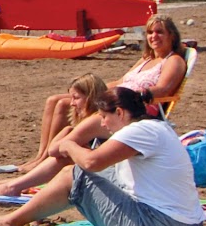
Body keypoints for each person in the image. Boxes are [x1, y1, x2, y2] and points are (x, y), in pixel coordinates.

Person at [0, 85, 203, 226]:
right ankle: (24, 214)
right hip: (186, 225)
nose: (103, 124)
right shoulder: (157, 127)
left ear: (120, 113)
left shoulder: (138, 131)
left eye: (105, 117)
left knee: (76, 174)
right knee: (80, 171)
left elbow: (92, 163)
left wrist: (69, 145)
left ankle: (10, 221)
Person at [28, 16, 187, 164]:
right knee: (53, 100)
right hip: (117, 99)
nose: (154, 36)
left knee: (63, 104)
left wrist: (134, 96)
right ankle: (40, 156)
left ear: (172, 35)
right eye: (150, 32)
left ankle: (45, 159)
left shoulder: (174, 61)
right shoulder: (146, 59)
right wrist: (96, 90)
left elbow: (163, 89)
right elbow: (120, 81)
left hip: (134, 108)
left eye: (160, 32)